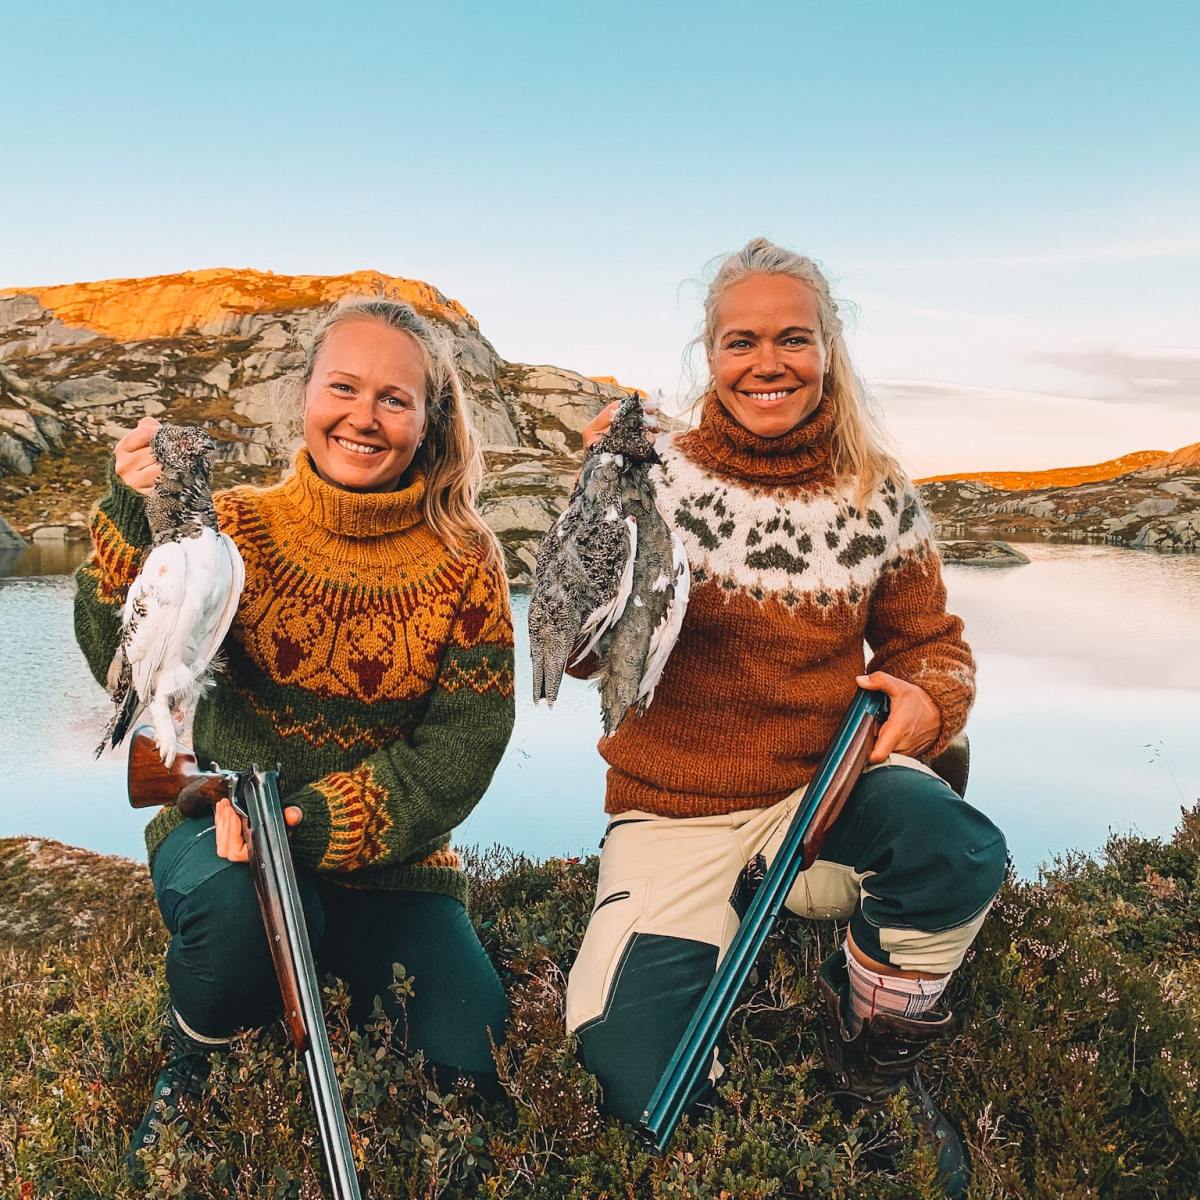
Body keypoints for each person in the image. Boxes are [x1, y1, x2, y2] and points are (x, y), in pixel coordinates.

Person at [564, 239, 1007, 1196]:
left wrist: (929, 700)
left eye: (793, 339)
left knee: (959, 850)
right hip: (670, 820)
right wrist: (598, 511)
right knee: (624, 1056)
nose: (767, 363)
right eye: (741, 341)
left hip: (822, 798)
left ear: (828, 352)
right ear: (710, 356)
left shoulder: (876, 493)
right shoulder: (653, 475)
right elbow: (578, 651)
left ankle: (873, 1056)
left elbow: (933, 644)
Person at [74, 297, 515, 1168]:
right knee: (247, 911)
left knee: (476, 1061)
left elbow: (463, 748)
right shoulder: (229, 528)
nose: (364, 416)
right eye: (343, 387)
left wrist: (315, 819)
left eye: (395, 399)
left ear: (429, 423)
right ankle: (194, 1064)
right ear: (304, 398)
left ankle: (314, 971)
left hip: (395, 866)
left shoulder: (469, 561)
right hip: (226, 838)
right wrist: (132, 513)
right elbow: (113, 655)